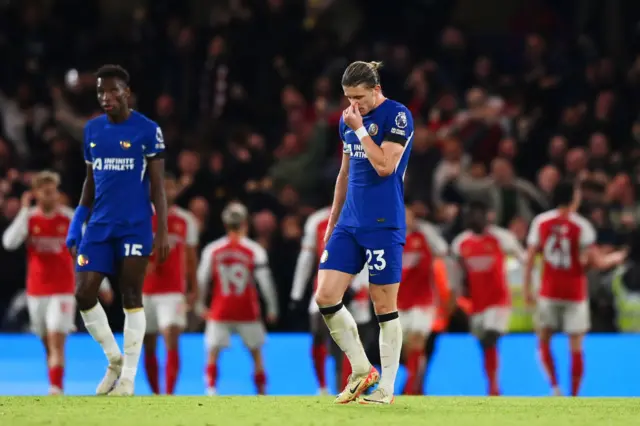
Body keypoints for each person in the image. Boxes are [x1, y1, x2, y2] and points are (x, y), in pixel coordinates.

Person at [65, 64, 170, 396]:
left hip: (134, 226)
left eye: (111, 91)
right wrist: (75, 223)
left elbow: (158, 187)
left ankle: (128, 378)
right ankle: (113, 359)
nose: (105, 97)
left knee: (131, 297)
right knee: (83, 293)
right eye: (100, 92)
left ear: (127, 92)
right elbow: (89, 183)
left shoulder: (147, 130)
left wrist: (162, 230)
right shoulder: (92, 131)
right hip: (98, 225)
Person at [314, 61, 414, 404]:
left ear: (376, 89)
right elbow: (345, 174)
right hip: (349, 223)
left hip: (383, 223)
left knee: (384, 305)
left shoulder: (397, 116)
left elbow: (385, 167)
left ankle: (386, 387)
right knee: (325, 296)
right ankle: (361, 369)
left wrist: (359, 129)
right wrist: (332, 220)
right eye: (348, 98)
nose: (353, 105)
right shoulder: (350, 120)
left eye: (359, 97)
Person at [2, 171, 111, 394]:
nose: (51, 196)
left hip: (62, 290)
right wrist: (24, 211)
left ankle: (56, 388)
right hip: (36, 290)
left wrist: (103, 284)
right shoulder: (30, 218)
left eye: (53, 191)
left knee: (55, 338)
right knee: (46, 341)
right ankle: (55, 381)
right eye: (45, 192)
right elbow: (9, 243)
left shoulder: (70, 219)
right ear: (36, 194)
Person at [524, 181, 624, 396]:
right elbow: (598, 262)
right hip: (574, 292)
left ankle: (554, 387)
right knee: (576, 345)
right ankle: (575, 395)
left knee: (543, 339)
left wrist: (527, 289)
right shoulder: (581, 225)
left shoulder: (541, 222)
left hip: (548, 290)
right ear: (573, 199)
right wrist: (618, 256)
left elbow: (531, 257)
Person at [197, 202, 279, 396]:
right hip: (247, 310)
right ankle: (261, 392)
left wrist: (200, 305)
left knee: (212, 352)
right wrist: (272, 308)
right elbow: (264, 282)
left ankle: (210, 389)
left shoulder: (212, 249)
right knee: (257, 354)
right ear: (245, 223)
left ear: (225, 225)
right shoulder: (254, 250)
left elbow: (202, 279)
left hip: (220, 308)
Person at [290, 206, 372, 395]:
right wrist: (297, 292)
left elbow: (370, 255)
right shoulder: (317, 221)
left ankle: (353, 387)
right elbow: (307, 257)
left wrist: (356, 286)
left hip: (356, 294)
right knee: (318, 332)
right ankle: (322, 388)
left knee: (351, 344)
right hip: (325, 289)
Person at [451, 200, 525, 396]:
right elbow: (457, 273)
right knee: (484, 343)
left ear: (487, 217)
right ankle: (492, 385)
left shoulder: (502, 238)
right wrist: (458, 293)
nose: (474, 218)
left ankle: (493, 387)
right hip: (476, 303)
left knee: (490, 336)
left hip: (498, 301)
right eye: (470, 214)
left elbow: (522, 257)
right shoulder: (461, 243)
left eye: (478, 214)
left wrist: (527, 283)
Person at [142, 173, 199, 395]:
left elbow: (192, 256)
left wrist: (194, 287)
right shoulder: (141, 217)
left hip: (173, 291)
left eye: (170, 188)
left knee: (171, 340)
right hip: (145, 291)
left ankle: (169, 394)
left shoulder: (186, 220)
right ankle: (156, 393)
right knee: (148, 344)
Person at [398, 207, 449, 395]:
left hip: (423, 302)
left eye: (408, 216)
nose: (404, 220)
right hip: (398, 303)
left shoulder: (424, 238)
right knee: (404, 350)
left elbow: (443, 249)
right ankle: (415, 383)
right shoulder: (390, 240)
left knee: (416, 342)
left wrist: (425, 228)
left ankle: (412, 389)